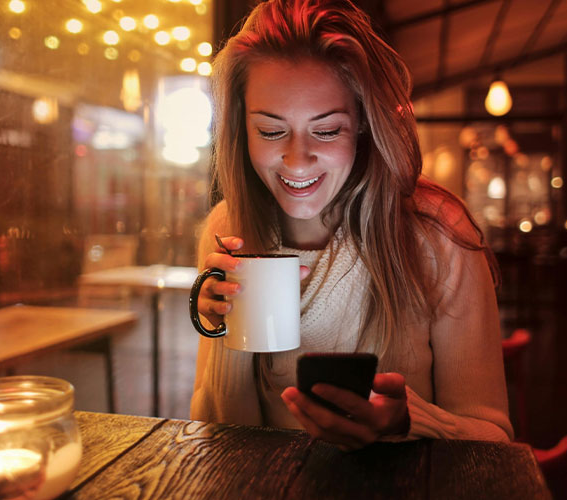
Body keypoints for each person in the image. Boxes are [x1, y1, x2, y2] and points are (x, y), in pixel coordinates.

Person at [191, 0, 513, 450]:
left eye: (326, 131)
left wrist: (410, 423)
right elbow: (225, 440)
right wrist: (226, 331)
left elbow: (494, 437)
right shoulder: (229, 228)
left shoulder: (436, 234)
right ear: (240, 129)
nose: (297, 159)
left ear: (362, 124)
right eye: (270, 131)